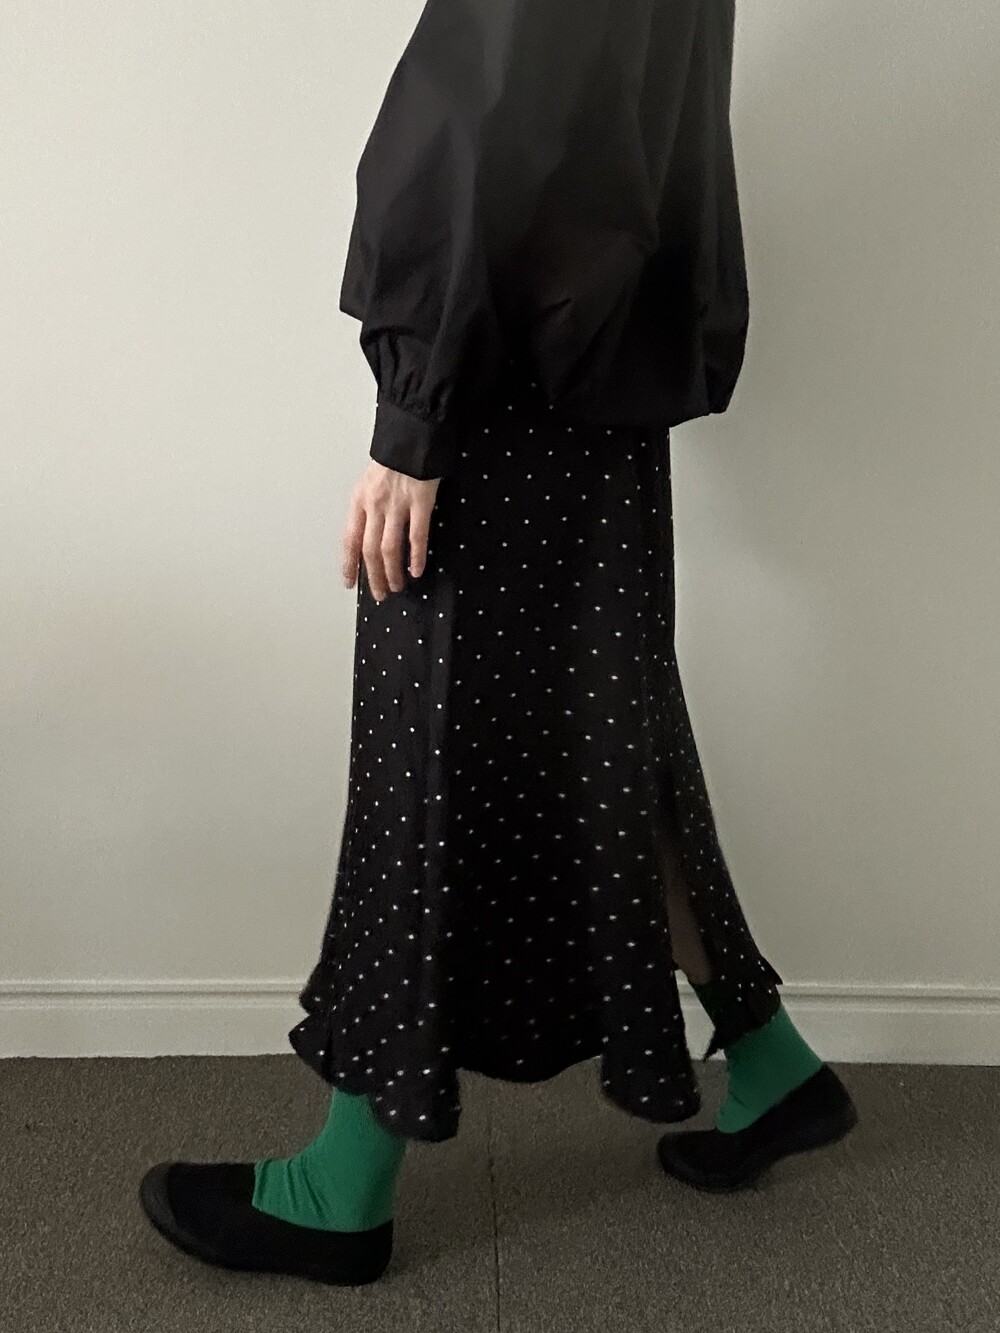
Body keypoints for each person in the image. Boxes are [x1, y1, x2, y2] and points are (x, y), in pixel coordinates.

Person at [139, 0, 857, 1286]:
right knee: (607, 737)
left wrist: (415, 414)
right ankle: (770, 1057)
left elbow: (480, 120)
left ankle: (344, 1185)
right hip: (590, 378)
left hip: (503, 385)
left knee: (427, 748)